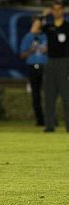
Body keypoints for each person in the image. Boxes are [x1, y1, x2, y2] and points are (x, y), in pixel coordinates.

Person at [32, 0, 69, 132]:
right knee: (49, 95)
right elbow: (34, 30)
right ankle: (49, 125)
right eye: (54, 9)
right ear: (52, 10)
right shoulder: (49, 26)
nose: (57, 12)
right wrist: (42, 15)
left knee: (66, 96)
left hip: (65, 62)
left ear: (63, 10)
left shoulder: (67, 26)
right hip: (51, 62)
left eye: (59, 9)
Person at [20, 18, 47, 126]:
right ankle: (40, 120)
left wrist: (47, 50)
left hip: (45, 66)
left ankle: (51, 118)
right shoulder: (28, 37)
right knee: (35, 94)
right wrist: (31, 50)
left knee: (48, 94)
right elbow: (22, 55)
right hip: (32, 67)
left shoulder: (46, 36)